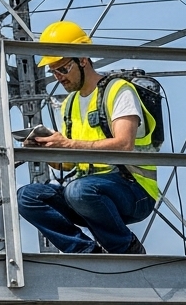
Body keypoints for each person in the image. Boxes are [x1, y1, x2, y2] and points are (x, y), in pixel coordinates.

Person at [16, 20, 158, 254]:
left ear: (82, 59)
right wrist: (45, 150)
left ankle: (126, 249)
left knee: (78, 190)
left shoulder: (118, 90)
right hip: (87, 190)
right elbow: (70, 163)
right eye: (53, 72)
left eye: (62, 69)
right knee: (28, 197)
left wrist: (68, 143)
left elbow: (124, 144)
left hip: (132, 190)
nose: (59, 77)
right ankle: (87, 253)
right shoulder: (70, 103)